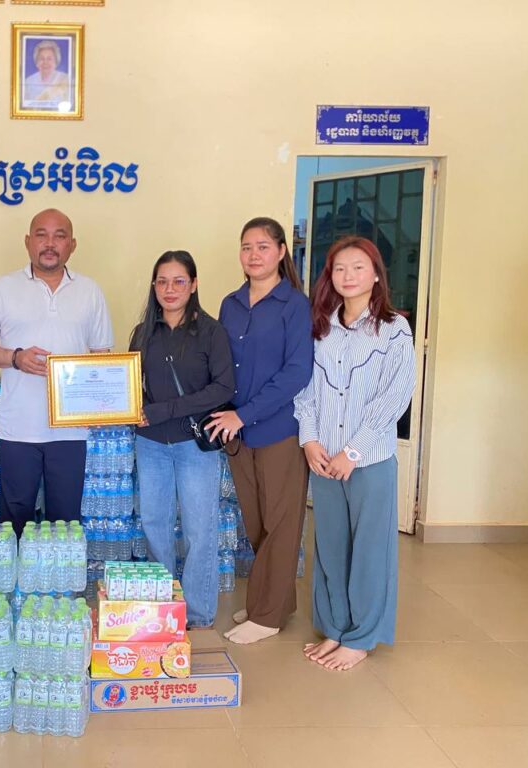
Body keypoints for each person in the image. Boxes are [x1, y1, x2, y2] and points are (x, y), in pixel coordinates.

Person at [295, 235, 415, 671]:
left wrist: (352, 451)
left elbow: (394, 397)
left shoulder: (393, 328)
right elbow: (305, 390)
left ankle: (361, 637)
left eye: (358, 267)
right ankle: (335, 628)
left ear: (376, 275)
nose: (348, 276)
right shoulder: (320, 327)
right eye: (340, 268)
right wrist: (310, 440)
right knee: (330, 547)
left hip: (368, 461)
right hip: (324, 458)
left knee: (369, 550)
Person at [0, 208, 113, 537]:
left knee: (66, 524)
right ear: (27, 242)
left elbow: (101, 358)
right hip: (18, 428)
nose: (50, 243)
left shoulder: (90, 291)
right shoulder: (2, 288)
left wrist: (100, 406)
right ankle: (17, 572)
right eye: (41, 235)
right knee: (15, 521)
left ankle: (61, 575)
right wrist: (14, 357)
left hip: (70, 430)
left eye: (59, 236)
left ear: (72, 244)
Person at [206, 217, 314, 645]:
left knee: (282, 523)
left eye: (263, 246)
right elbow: (220, 364)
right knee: (257, 523)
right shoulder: (231, 304)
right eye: (247, 247)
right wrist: (223, 413)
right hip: (237, 433)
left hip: (278, 429)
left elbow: (297, 372)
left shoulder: (294, 304)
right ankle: (278, 602)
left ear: (282, 252)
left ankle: (267, 616)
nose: (254, 255)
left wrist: (244, 414)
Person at [130, 251, 234, 629]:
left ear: (193, 285)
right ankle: (163, 608)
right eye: (162, 281)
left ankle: (198, 614)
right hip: (151, 444)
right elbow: (128, 384)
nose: (169, 289)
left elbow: (223, 388)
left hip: (194, 444)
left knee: (199, 530)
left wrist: (165, 410)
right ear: (153, 286)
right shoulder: (143, 333)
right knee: (154, 524)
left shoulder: (211, 332)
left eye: (178, 281)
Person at [23, 40, 71, 104]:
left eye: (49, 59)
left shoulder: (65, 80)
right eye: (41, 59)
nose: (45, 62)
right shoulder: (28, 82)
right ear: (37, 62)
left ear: (56, 62)